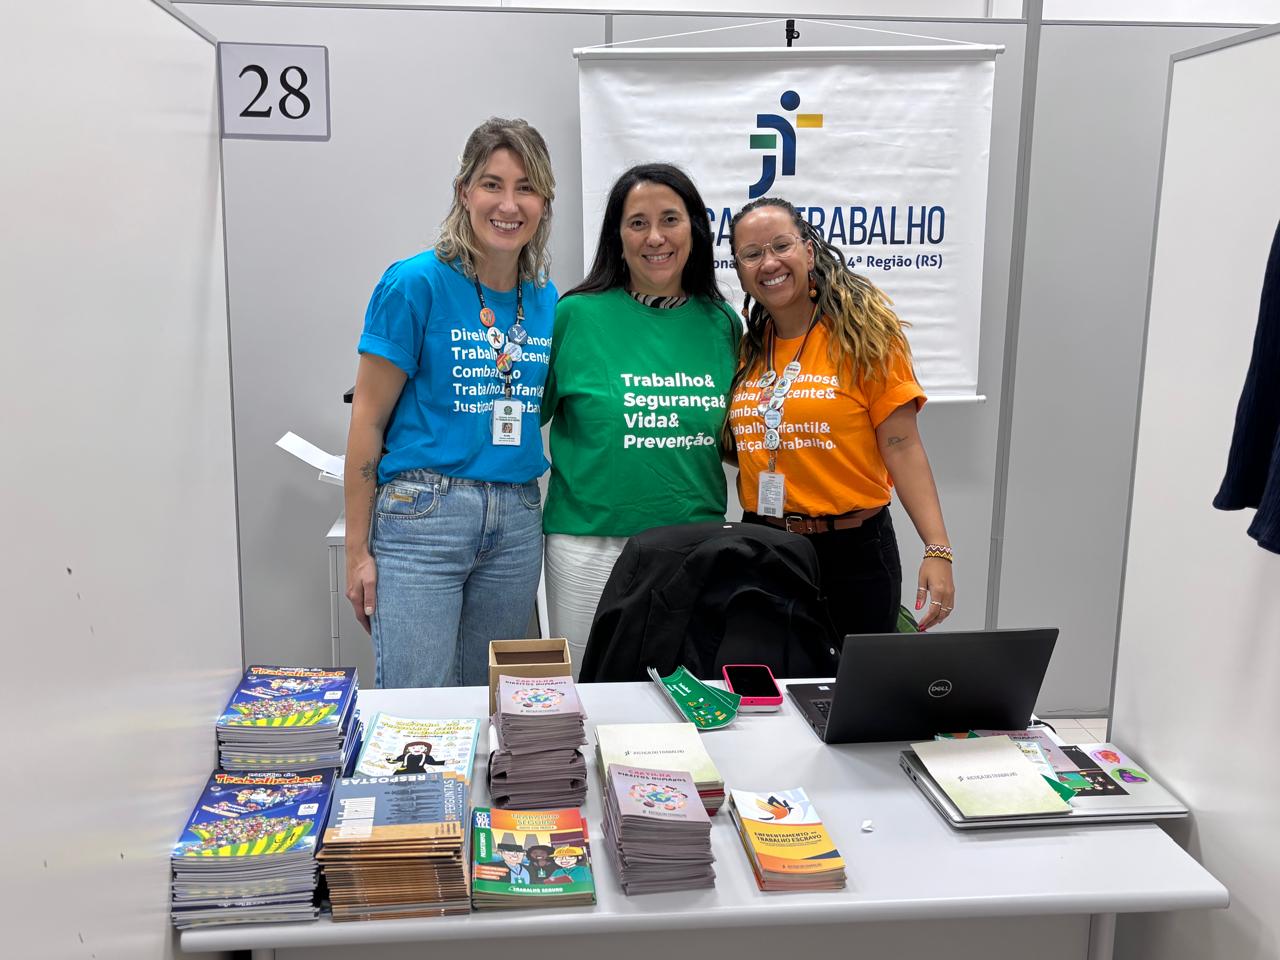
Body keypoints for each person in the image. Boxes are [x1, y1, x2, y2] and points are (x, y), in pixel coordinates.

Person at [344, 118, 557, 688]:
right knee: (417, 712)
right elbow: (366, 420)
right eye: (492, 184)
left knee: (495, 708)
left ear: (544, 202)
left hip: (514, 523)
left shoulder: (543, 299)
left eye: (526, 187)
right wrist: (358, 552)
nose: (508, 204)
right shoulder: (415, 283)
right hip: (424, 520)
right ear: (465, 191)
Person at [541, 164, 740, 675]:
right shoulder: (575, 315)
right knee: (589, 695)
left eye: (670, 219)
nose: (655, 237)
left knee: (686, 699)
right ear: (616, 236)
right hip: (588, 544)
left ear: (695, 228)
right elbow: (520, 416)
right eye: (637, 223)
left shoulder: (723, 324)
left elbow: (739, 436)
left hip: (692, 545)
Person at [724, 197, 955, 634]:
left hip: (855, 550)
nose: (768, 262)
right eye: (752, 254)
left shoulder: (863, 336)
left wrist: (937, 547)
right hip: (765, 544)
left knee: (855, 696)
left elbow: (902, 445)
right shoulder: (748, 349)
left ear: (809, 252)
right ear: (740, 271)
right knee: (769, 693)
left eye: (781, 246)